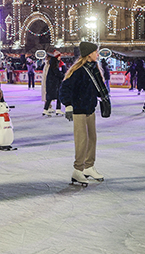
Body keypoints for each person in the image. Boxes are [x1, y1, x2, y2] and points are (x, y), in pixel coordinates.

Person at [59, 41, 109, 185]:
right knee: (82, 140)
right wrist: (68, 105)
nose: (97, 55)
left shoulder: (94, 69)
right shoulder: (78, 71)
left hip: (90, 109)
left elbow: (98, 89)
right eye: (95, 52)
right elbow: (64, 88)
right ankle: (78, 170)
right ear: (88, 55)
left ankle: (89, 166)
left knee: (92, 139)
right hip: (79, 109)